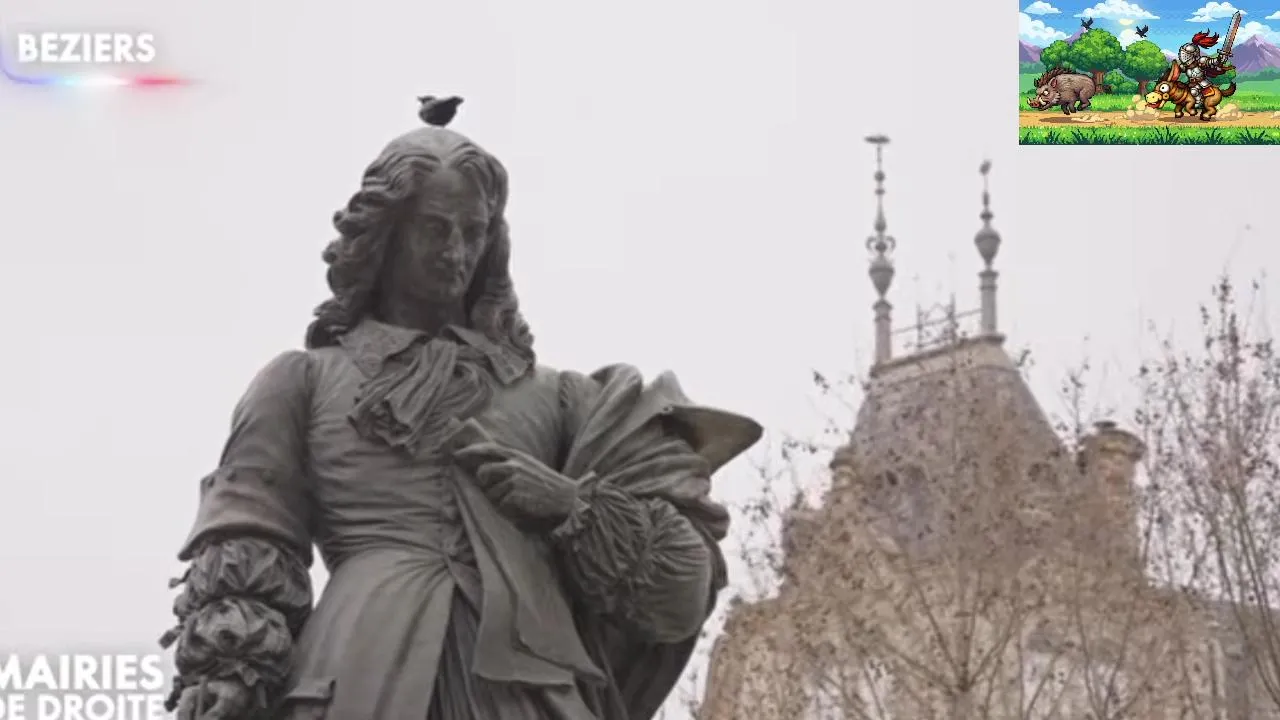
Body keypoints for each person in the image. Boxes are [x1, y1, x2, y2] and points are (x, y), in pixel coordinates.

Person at [159, 106, 761, 720]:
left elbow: (679, 594)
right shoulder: (301, 381)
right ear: (387, 234)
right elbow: (250, 540)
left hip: (529, 693)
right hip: (357, 673)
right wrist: (229, 674)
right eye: (435, 228)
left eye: (474, 232)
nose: (457, 252)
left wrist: (572, 507)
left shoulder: (567, 400)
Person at [1177, 29, 1233, 107]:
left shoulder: (1201, 61)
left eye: (1186, 53)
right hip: (1190, 83)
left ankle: (1199, 103)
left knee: (1194, 91)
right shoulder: (1184, 66)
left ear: (1193, 54)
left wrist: (1220, 58)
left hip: (1201, 82)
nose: (1183, 56)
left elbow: (1213, 61)